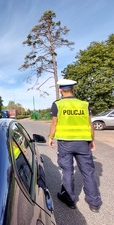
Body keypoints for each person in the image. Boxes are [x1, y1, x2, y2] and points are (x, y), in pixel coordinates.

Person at [48, 79, 102, 213]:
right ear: (73, 89)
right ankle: (94, 202)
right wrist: (92, 140)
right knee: (88, 172)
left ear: (61, 90)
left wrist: (50, 138)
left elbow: (54, 123)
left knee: (67, 170)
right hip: (83, 142)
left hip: (65, 143)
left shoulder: (58, 104)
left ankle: (69, 199)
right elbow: (90, 124)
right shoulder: (84, 104)